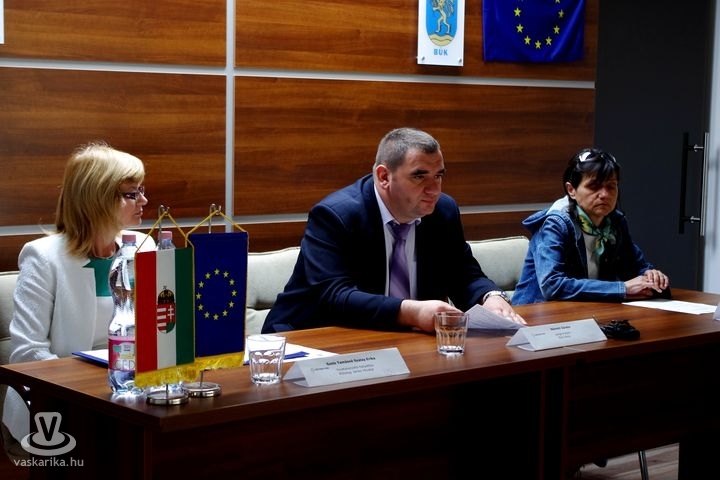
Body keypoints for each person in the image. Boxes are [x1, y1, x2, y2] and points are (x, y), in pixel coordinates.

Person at [262, 127, 525, 334]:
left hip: (401, 341)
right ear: (384, 177)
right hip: (311, 338)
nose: (434, 190)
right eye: (419, 176)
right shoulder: (336, 216)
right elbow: (333, 296)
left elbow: (463, 273)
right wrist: (411, 312)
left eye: (439, 176)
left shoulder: (442, 212)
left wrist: (490, 297)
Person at [1, 141, 156, 456]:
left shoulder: (144, 246)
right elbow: (27, 354)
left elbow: (160, 330)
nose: (144, 200)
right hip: (58, 406)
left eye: (141, 190)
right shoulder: (43, 257)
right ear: (97, 198)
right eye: (132, 193)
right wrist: (98, 389)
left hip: (134, 399)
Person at [512, 147, 670, 305]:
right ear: (571, 190)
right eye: (594, 186)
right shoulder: (556, 224)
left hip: (587, 311)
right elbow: (552, 285)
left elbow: (636, 266)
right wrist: (622, 288)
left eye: (611, 186)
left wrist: (651, 276)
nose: (604, 194)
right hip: (535, 314)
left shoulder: (614, 221)